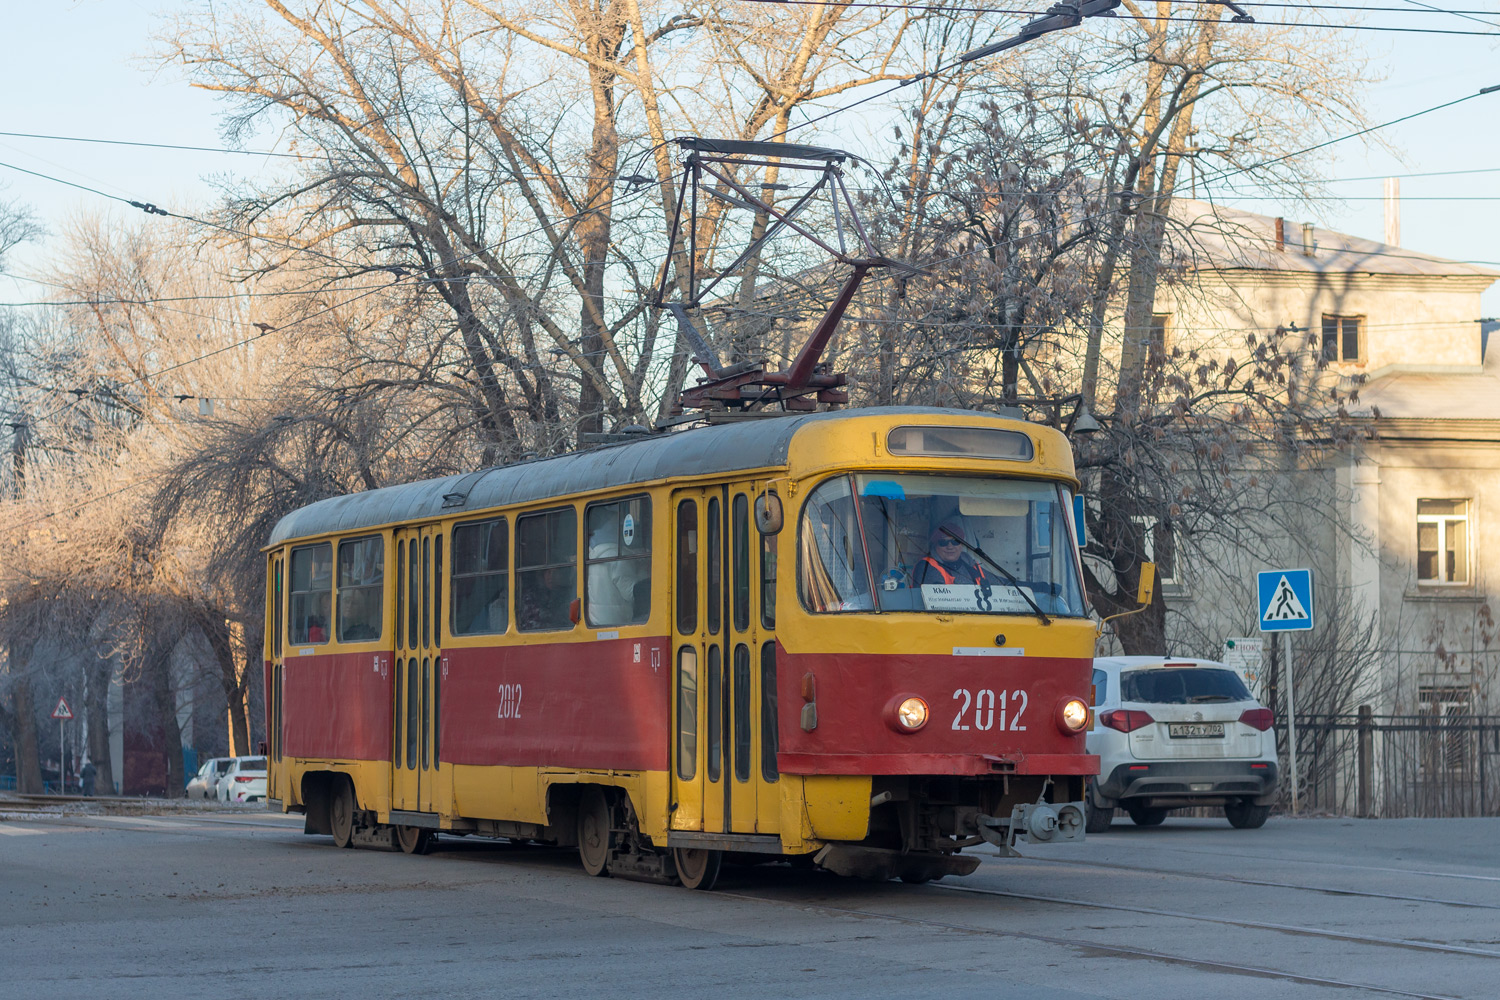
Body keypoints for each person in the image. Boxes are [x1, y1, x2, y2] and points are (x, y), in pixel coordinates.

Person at [912, 517, 987, 587]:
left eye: (955, 541)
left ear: (961, 545)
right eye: (943, 542)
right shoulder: (927, 567)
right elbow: (939, 598)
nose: (950, 547)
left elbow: (994, 582)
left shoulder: (971, 564)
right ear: (935, 545)